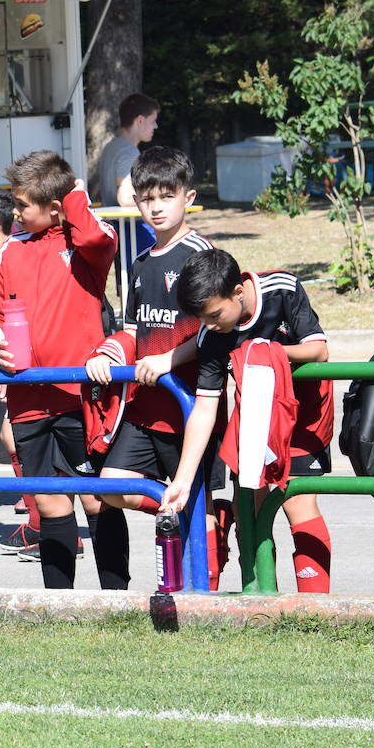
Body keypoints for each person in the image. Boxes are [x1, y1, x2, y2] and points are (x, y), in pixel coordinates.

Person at [86, 147, 229, 588]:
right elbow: (134, 327)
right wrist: (109, 351)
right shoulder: (142, 262)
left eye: (167, 196)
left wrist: (169, 359)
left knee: (197, 501)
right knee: (109, 490)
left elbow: (216, 328)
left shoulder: (201, 254)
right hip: (146, 406)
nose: (156, 206)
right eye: (147, 197)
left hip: (190, 405)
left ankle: (200, 597)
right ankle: (174, 515)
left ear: (189, 197)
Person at [0, 151, 120, 590]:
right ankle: (59, 603)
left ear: (55, 207)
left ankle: (115, 597)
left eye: (23, 205)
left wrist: (74, 191)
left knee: (97, 499)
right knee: (48, 500)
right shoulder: (10, 252)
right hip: (28, 398)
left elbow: (99, 240)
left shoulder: (85, 244)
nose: (15, 213)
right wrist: (0, 353)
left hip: (80, 397)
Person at [160, 249, 334, 593]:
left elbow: (318, 350)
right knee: (250, 509)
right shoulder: (211, 335)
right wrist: (182, 478)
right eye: (202, 319)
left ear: (238, 292)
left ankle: (316, 611)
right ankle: (260, 601)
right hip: (254, 420)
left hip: (303, 414)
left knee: (299, 502)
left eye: (214, 314)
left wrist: (265, 352)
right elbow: (206, 409)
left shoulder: (282, 288)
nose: (209, 325)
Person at [94, 93, 159, 208]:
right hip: (129, 224)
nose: (156, 126)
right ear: (140, 121)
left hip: (113, 223)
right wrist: (158, 201)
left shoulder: (110, 147)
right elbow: (125, 199)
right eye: (153, 120)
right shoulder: (128, 152)